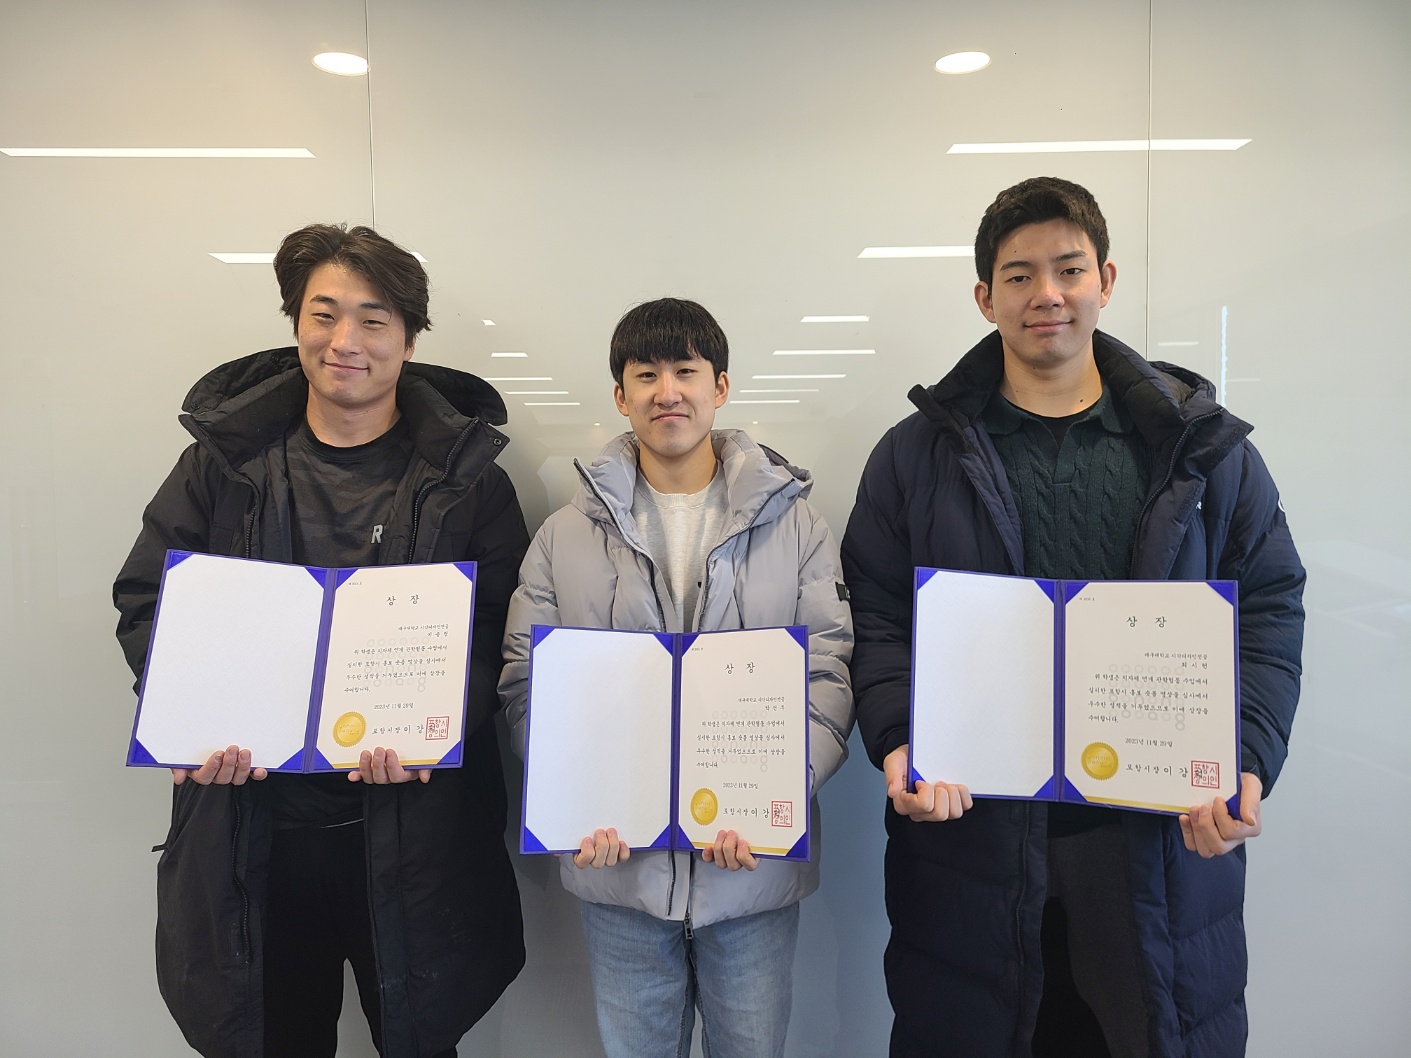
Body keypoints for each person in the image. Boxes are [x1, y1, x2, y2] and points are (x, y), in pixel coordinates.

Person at [841, 177, 1305, 1058]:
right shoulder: (913, 456)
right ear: (984, 298)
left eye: (1068, 269)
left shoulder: (1199, 449)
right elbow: (876, 610)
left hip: (1153, 841)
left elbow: (1269, 604)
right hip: (972, 839)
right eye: (1017, 276)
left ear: (1106, 280)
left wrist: (1245, 757)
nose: (1045, 294)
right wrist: (899, 738)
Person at [113, 223, 528, 1058]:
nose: (345, 342)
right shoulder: (220, 468)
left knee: (419, 1040)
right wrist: (193, 718)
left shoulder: (467, 481)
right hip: (254, 828)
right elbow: (148, 599)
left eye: (373, 320)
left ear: (408, 339)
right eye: (324, 314)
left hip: (413, 830)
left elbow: (503, 631)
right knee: (272, 1038)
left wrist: (436, 729)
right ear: (295, 323)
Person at [499, 297, 854, 1058]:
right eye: (646, 374)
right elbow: (528, 681)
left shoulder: (796, 525)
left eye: (686, 371)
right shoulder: (563, 536)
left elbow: (827, 670)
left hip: (750, 871)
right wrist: (572, 798)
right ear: (620, 395)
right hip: (618, 873)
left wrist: (777, 796)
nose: (668, 392)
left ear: (719, 386)